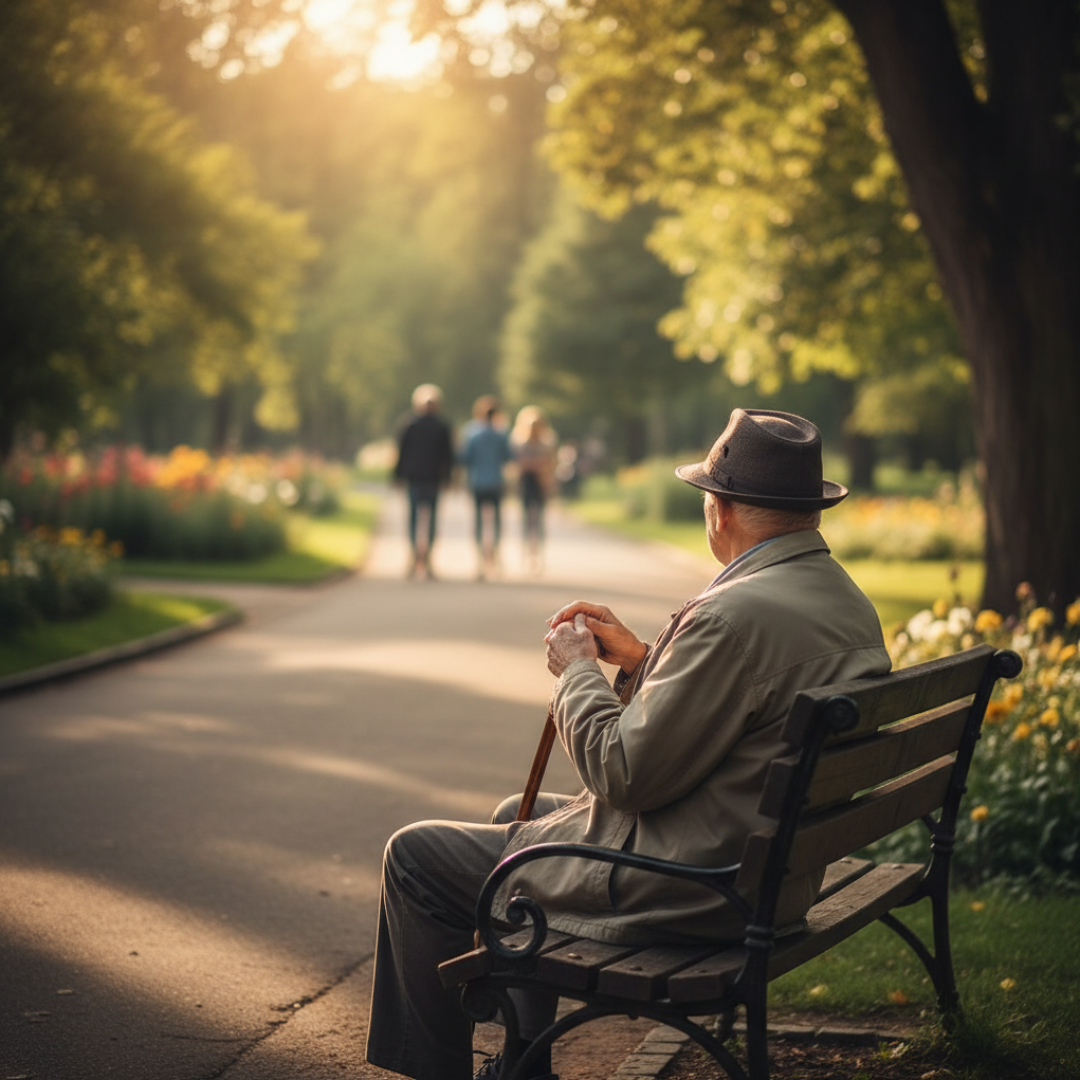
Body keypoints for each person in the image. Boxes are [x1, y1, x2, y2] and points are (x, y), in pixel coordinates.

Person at [366, 408, 891, 1080]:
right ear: (808, 511)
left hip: (695, 890)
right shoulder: (843, 601)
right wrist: (646, 661)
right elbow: (739, 714)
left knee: (413, 856)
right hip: (767, 875)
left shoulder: (733, 615)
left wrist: (577, 670)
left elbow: (624, 773)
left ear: (721, 509)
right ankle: (524, 1068)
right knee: (513, 817)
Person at [394, 383, 454, 580]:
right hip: (429, 479)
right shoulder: (441, 426)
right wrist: (448, 477)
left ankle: (416, 559)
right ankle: (423, 559)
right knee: (428, 520)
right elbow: (447, 456)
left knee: (415, 519)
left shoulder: (410, 424)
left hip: (418, 478)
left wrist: (398, 475)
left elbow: (402, 453)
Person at [460, 395, 513, 580]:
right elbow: (509, 456)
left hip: (477, 482)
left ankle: (480, 561)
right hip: (496, 482)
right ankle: (495, 557)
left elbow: (465, 458)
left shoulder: (472, 433)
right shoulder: (501, 434)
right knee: (496, 522)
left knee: (479, 523)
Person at [511, 406, 558, 574]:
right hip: (526, 483)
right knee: (526, 522)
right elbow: (517, 464)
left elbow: (550, 463)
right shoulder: (519, 442)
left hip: (540, 483)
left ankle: (538, 555)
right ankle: (526, 555)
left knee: (539, 521)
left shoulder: (547, 443)